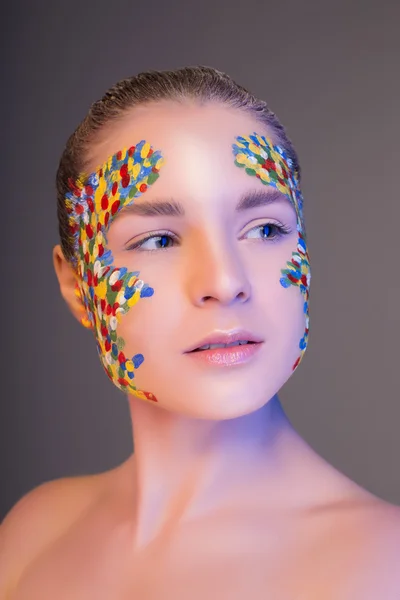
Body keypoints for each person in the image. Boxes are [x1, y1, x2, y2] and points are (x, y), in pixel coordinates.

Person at [1, 66, 399, 599]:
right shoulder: (32, 532)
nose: (226, 281)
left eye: (265, 229)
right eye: (159, 240)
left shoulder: (382, 566)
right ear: (77, 286)